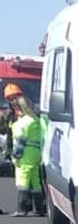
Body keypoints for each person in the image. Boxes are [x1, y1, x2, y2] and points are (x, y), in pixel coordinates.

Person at [4, 83, 46, 216]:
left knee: (23, 180)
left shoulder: (22, 122)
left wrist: (15, 156)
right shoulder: (35, 119)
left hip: (25, 153)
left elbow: (20, 140)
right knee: (35, 181)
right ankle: (40, 209)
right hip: (36, 152)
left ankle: (22, 209)